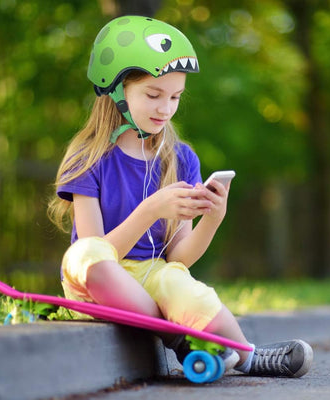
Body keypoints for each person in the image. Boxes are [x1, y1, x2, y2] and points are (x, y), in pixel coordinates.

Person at [48, 15, 313, 378]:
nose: (166, 109)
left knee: (179, 282)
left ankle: (246, 356)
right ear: (114, 90)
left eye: (175, 97)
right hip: (97, 284)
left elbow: (179, 256)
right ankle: (180, 335)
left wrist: (213, 219)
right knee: (83, 253)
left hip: (151, 277)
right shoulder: (88, 159)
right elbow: (97, 253)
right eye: (153, 95)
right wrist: (150, 210)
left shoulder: (180, 158)